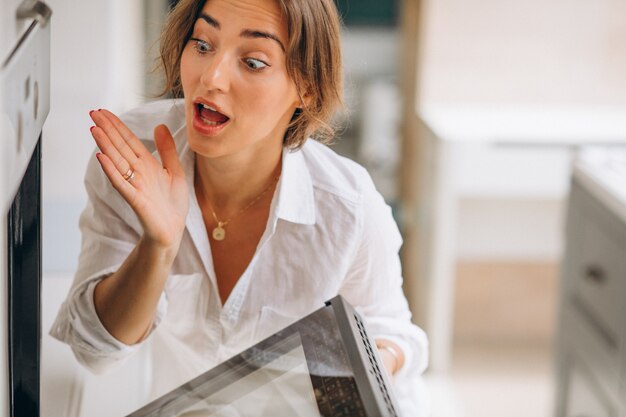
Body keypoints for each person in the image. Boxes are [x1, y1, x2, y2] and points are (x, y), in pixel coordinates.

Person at [51, 0, 429, 414]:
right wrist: (158, 246)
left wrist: (349, 378)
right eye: (202, 44)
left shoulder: (348, 207)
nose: (211, 77)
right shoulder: (136, 159)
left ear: (307, 87)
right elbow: (94, 352)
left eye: (252, 62)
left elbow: (393, 331)